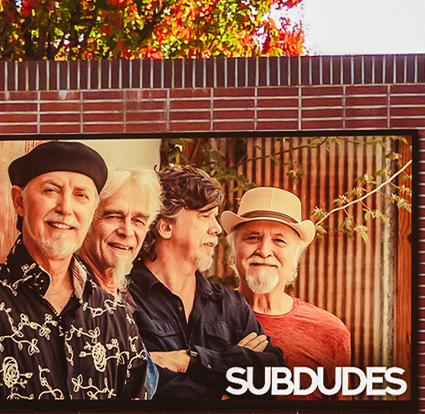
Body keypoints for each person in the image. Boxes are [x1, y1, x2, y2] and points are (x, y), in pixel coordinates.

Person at [0, 141, 147, 402]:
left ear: (92, 209)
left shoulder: (116, 316)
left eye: (81, 195)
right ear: (19, 201)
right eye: (51, 190)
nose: (66, 208)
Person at [127, 167, 285, 400]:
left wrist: (191, 361)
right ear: (165, 226)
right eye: (205, 216)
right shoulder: (124, 301)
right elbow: (146, 389)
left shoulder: (230, 304)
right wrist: (227, 389)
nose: (217, 228)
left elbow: (275, 376)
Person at [222, 186, 351, 399]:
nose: (264, 251)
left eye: (279, 240)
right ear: (234, 249)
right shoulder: (200, 318)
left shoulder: (331, 333)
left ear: (296, 256)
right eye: (252, 237)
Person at [78, 168, 161, 295]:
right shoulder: (69, 294)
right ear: (88, 221)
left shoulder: (129, 298)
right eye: (114, 217)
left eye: (138, 221)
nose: (127, 232)